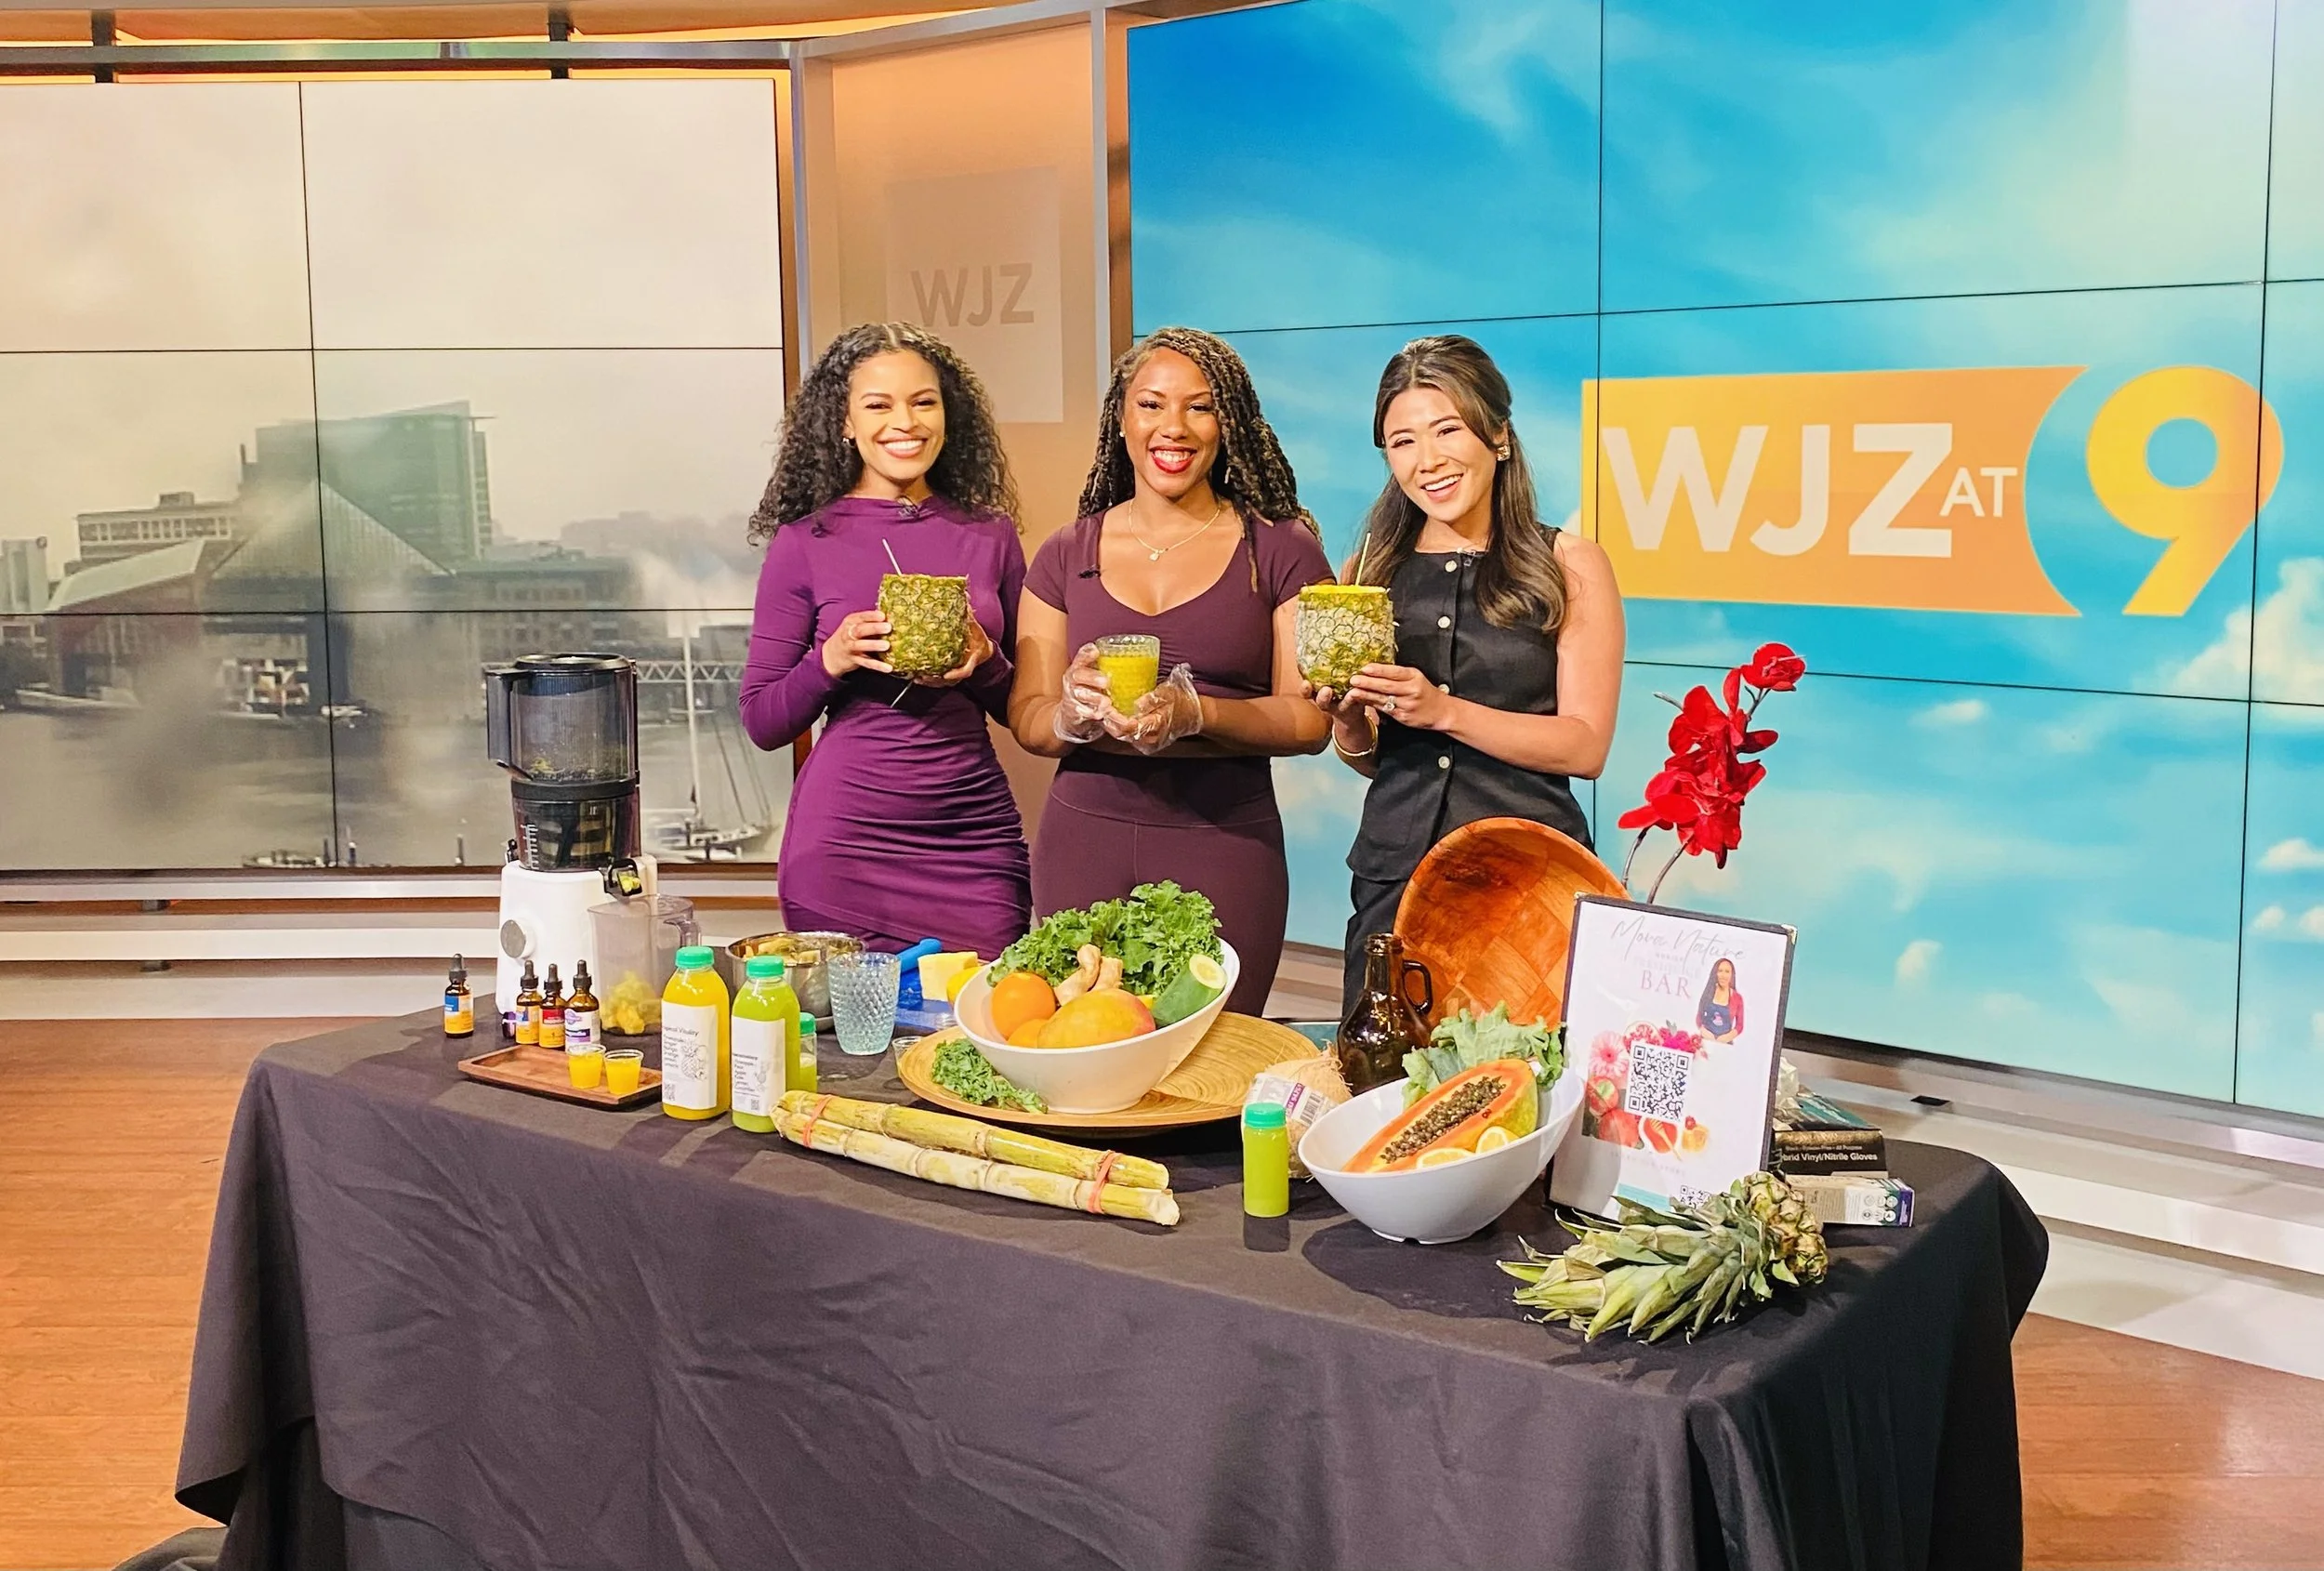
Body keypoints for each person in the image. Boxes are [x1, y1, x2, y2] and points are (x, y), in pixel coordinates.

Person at [1010, 326, 1333, 1014]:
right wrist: (1067, 714)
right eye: (1151, 405)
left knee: (1211, 1070)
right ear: (1120, 419)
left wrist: (1198, 714)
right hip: (1082, 843)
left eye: (1201, 406)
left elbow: (1309, 720)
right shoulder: (1066, 553)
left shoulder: (1279, 548)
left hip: (1224, 845)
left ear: (1229, 423)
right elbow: (1029, 719)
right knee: (1083, 1056)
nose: (1174, 427)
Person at [1310, 335, 1625, 1007]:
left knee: (1525, 1089)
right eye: (1402, 441)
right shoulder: (1367, 574)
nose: (1428, 461)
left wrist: (1445, 711)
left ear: (1498, 436)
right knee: (1382, 1086)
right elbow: (1372, 757)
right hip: (1394, 878)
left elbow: (1586, 744)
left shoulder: (1568, 563)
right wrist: (1346, 721)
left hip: (1528, 881)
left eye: (1447, 429)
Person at [739, 322, 1031, 957]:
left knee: (980, 1040)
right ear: (844, 422)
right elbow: (763, 720)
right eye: (879, 405)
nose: (906, 422)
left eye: (923, 402)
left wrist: (984, 662)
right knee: (851, 1054)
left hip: (972, 838)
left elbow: (1024, 712)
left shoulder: (991, 535)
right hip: (846, 845)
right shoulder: (805, 542)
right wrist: (831, 660)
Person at [1697, 957, 1745, 1043]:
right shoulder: (1708, 993)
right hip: (1706, 1041)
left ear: (1732, 975)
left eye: (1727, 972)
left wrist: (1728, 1037)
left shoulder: (1737, 998)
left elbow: (1739, 1026)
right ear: (1715, 973)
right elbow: (1699, 1018)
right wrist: (1704, 1032)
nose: (1723, 975)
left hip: (1725, 1044)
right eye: (1720, 971)